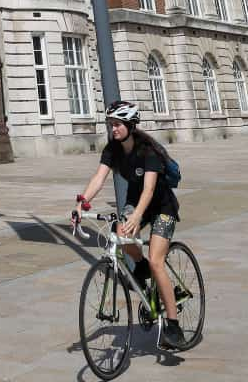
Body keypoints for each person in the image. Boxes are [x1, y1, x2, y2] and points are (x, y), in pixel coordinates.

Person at [72, 102, 187, 353]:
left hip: (162, 206)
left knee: (157, 261)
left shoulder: (149, 152)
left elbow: (149, 189)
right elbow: (99, 178)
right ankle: (142, 266)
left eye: (117, 124)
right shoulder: (112, 150)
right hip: (136, 204)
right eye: (110, 124)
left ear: (130, 125)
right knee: (119, 234)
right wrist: (82, 203)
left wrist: (136, 216)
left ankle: (173, 325)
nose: (112, 129)